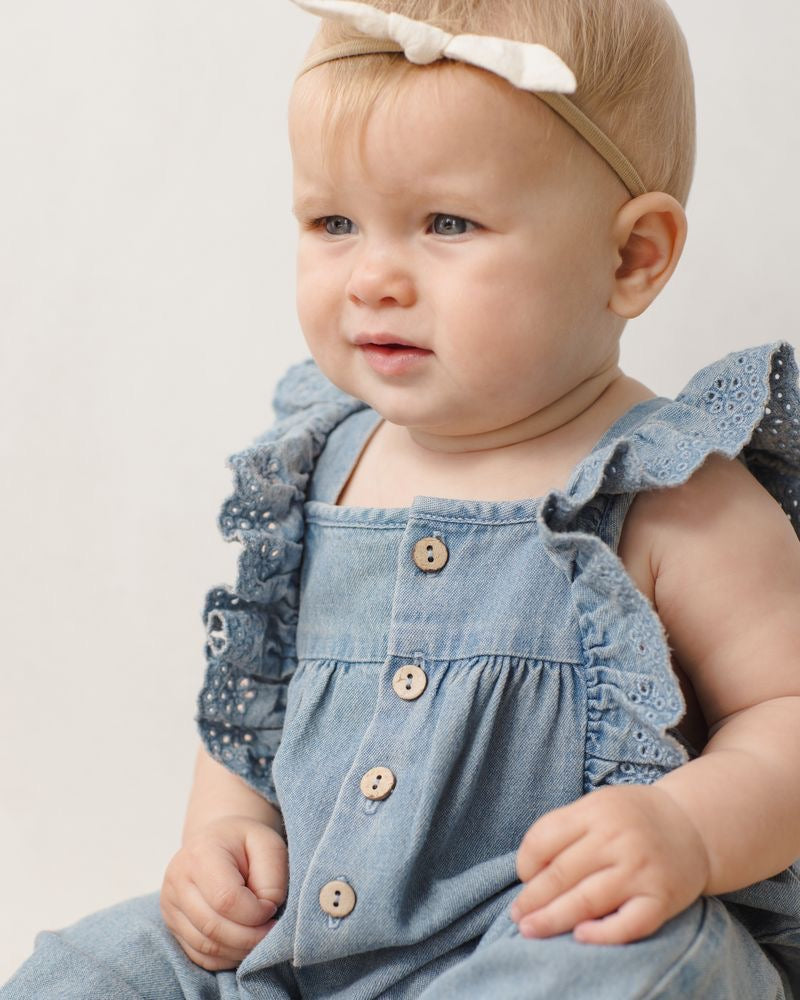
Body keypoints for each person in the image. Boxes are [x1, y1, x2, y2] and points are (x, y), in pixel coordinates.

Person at [4, 0, 800, 997]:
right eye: (333, 222)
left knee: (634, 966)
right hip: (304, 944)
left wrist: (684, 829)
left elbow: (785, 712)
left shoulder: (667, 491)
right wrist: (225, 833)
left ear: (630, 255)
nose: (373, 277)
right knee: (85, 972)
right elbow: (256, 699)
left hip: (548, 936)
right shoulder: (317, 466)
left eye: (446, 223)